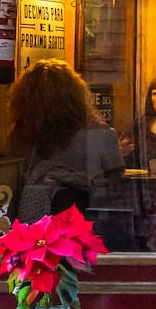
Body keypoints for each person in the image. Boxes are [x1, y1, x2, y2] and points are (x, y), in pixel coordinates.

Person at [8, 60, 122, 223]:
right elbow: (116, 181)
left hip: (34, 223)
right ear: (75, 93)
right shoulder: (99, 133)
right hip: (88, 221)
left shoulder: (20, 135)